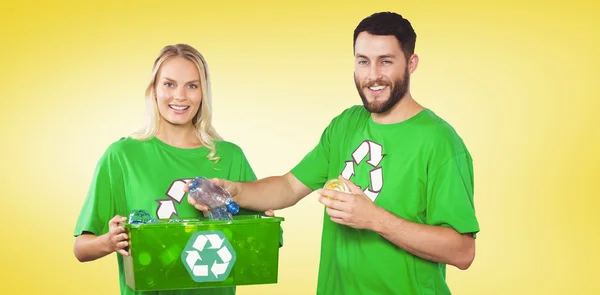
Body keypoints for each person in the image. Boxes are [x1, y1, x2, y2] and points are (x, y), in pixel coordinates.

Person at [188, 12, 480, 295]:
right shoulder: (346, 125)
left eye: (386, 62)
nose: (373, 75)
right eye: (363, 61)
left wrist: (374, 219)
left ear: (411, 63)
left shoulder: (440, 142)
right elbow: (289, 186)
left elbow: (463, 251)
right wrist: (236, 190)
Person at [73, 44, 267, 295]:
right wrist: (109, 242)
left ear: (203, 93)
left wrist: (259, 225)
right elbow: (81, 248)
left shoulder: (229, 157)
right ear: (153, 89)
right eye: (169, 84)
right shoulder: (122, 157)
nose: (180, 96)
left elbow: (265, 241)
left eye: (192, 86)